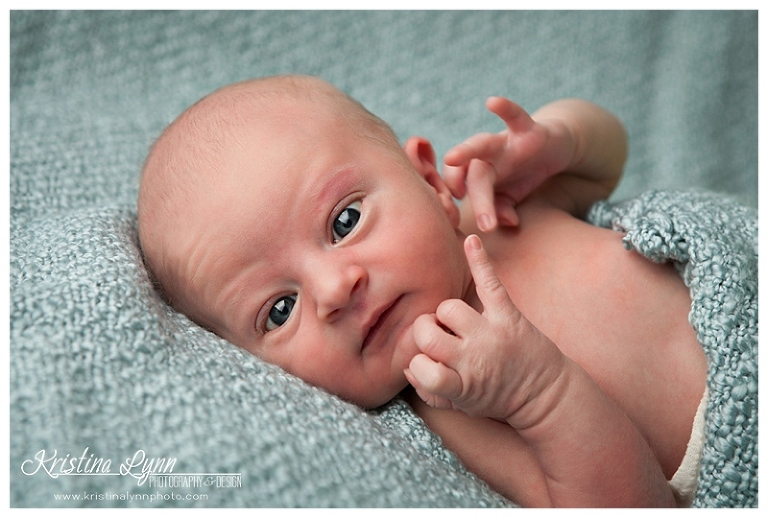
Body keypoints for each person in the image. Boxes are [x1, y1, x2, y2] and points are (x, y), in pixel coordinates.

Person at [137, 74, 708, 507]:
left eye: (344, 222)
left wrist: (560, 138)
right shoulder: (455, 401)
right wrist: (541, 396)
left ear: (432, 183)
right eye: (279, 311)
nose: (335, 289)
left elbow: (597, 168)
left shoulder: (497, 210)